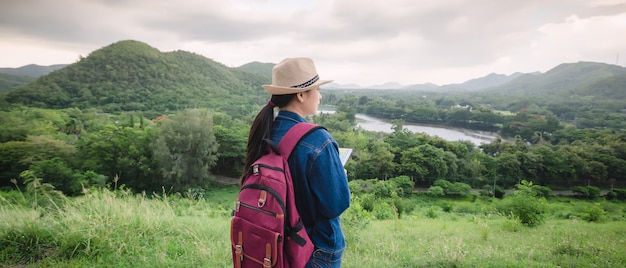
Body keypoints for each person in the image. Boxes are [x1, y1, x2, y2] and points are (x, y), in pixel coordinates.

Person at [242, 57, 351, 268]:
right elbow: (336, 204)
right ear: (301, 95)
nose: (320, 95)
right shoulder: (318, 141)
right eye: (317, 89)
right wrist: (341, 178)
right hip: (314, 249)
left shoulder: (265, 132)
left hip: (274, 243)